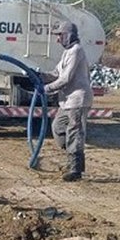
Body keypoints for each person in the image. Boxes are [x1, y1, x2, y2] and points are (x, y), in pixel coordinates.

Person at [40, 20, 93, 182]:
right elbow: (56, 74)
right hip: (67, 101)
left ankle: (75, 169)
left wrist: (46, 89)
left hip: (77, 99)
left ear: (68, 35)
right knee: (57, 127)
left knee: (74, 132)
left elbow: (65, 79)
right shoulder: (67, 53)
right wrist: (39, 75)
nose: (57, 39)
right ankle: (71, 157)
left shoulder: (76, 51)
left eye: (60, 35)